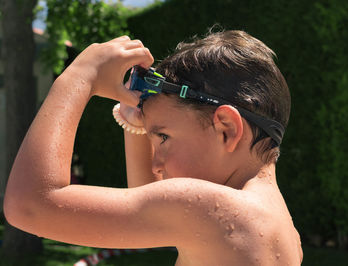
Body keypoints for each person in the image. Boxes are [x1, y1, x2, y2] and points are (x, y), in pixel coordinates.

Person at [4, 30, 303, 265]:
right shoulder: (285, 232)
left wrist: (80, 75)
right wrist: (140, 123)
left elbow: (29, 206)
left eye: (163, 138)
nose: (157, 164)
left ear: (226, 129)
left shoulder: (218, 211)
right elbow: (150, 200)